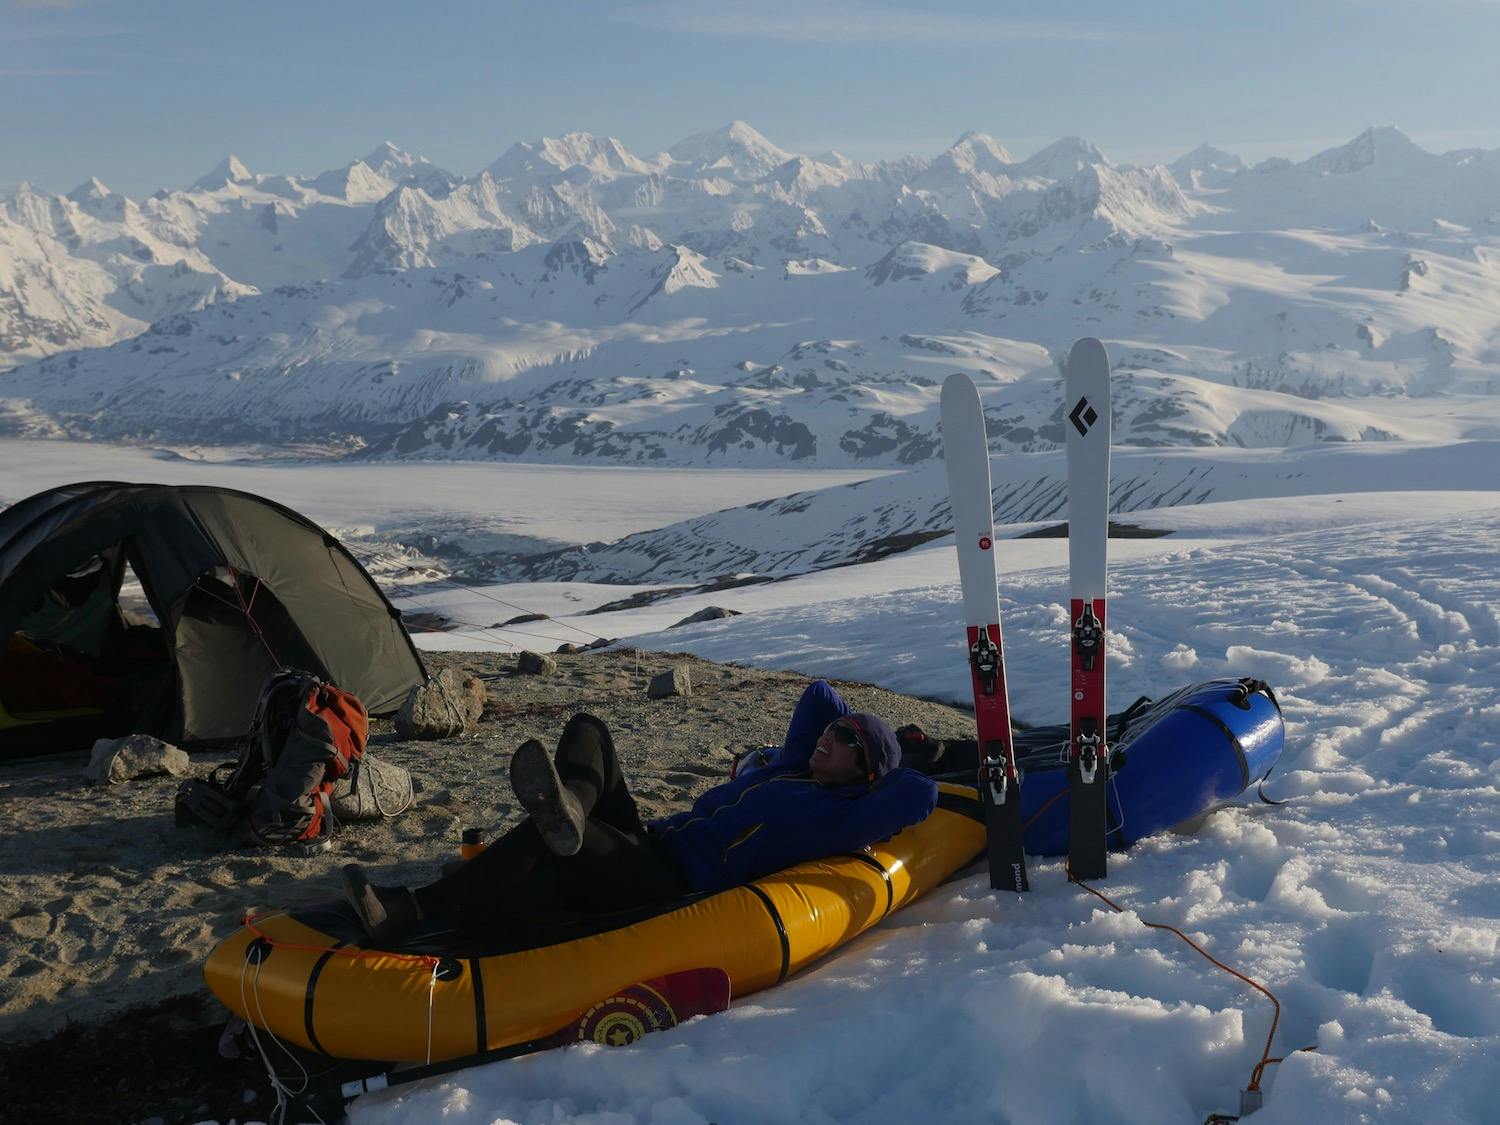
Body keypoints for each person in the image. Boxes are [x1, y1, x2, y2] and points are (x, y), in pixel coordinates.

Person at [342, 680, 938, 946]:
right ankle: (570, 807)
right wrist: (845, 735)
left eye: (847, 740)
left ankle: (411, 909)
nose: (829, 734)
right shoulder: (791, 769)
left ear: (867, 773)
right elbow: (818, 695)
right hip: (654, 838)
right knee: (589, 731)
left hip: (671, 876)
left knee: (547, 840)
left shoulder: (842, 813)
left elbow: (918, 794)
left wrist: (897, 754)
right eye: (832, 731)